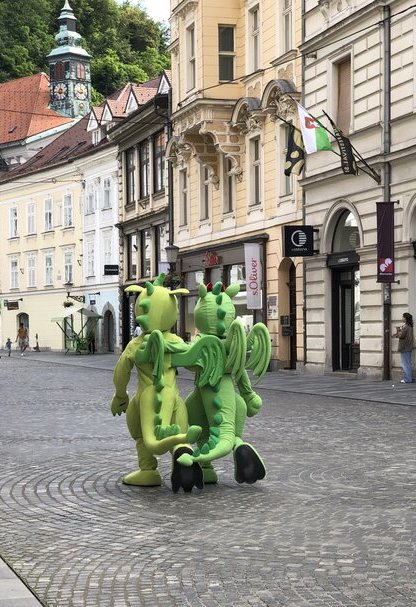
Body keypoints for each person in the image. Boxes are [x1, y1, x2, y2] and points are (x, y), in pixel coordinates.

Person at [396, 313, 414, 383]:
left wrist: (398, 332)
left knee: (405, 364)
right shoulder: (410, 326)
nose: (402, 318)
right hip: (408, 347)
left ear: (405, 318)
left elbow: (402, 336)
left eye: (403, 317)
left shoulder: (406, 327)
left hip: (405, 347)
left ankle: (407, 379)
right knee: (407, 363)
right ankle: (408, 378)